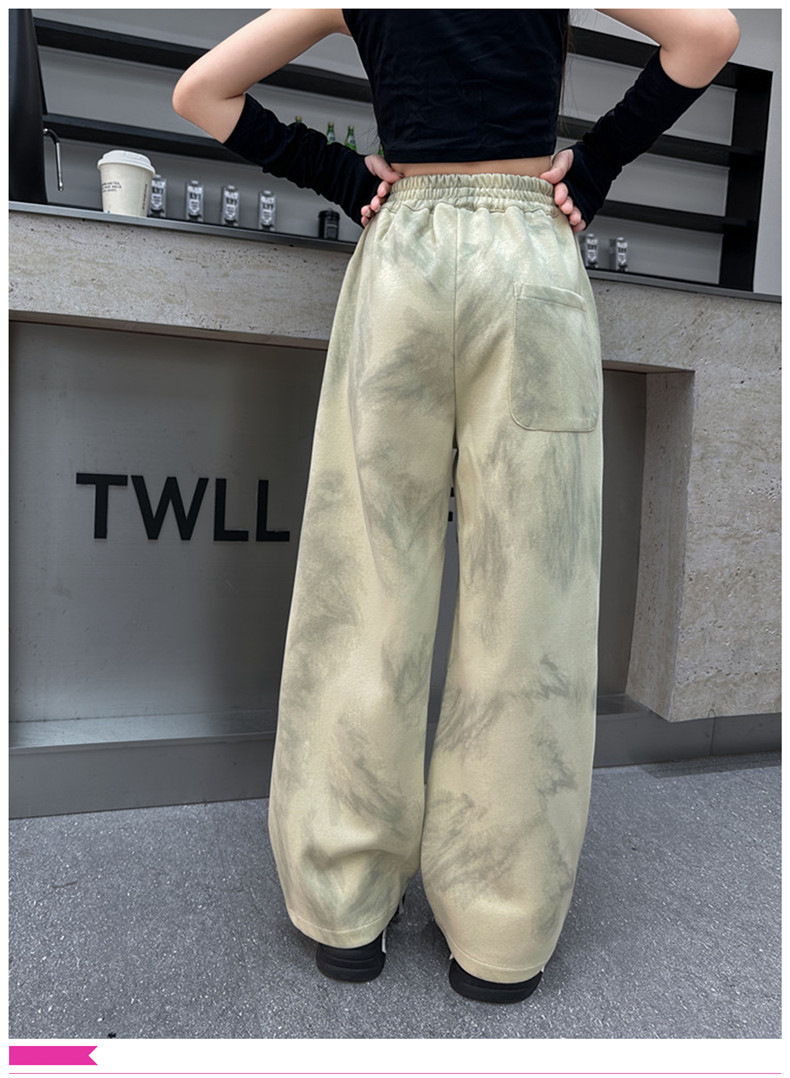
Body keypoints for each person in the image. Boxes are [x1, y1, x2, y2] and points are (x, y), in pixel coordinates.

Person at [172, 8, 740, 1004]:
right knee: (530, 598)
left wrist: (343, 177)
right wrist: (594, 166)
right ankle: (499, 935)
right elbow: (708, 33)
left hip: (403, 260)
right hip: (527, 264)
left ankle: (346, 906)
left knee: (364, 580)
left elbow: (201, 93)